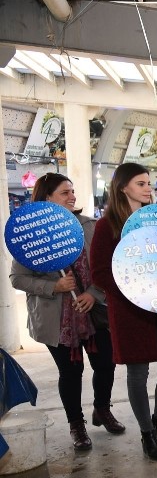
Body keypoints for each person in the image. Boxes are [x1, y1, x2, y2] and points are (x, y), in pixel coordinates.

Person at [10, 173, 121, 451]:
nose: (72, 196)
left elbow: (108, 267)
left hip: (94, 314)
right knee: (71, 373)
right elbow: (17, 278)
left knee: (106, 364)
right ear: (47, 198)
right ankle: (77, 424)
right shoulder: (31, 234)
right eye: (64, 192)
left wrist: (93, 294)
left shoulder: (89, 227)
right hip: (57, 320)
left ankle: (102, 409)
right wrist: (54, 286)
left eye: (72, 191)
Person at [90, 162, 157, 461]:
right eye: (141, 183)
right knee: (138, 372)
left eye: (148, 182)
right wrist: (134, 288)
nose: (148, 187)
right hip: (128, 309)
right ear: (123, 187)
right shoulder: (106, 225)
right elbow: (99, 272)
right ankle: (146, 433)